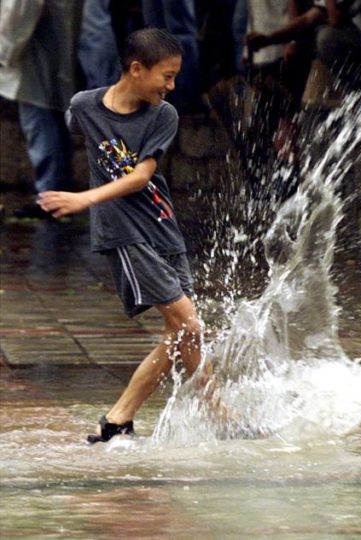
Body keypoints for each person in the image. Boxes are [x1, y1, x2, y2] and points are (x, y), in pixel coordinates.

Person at [37, 28, 203, 444]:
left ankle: (117, 419)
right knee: (190, 325)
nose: (172, 85)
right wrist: (89, 201)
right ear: (135, 69)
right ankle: (215, 408)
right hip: (124, 234)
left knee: (180, 331)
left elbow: (141, 176)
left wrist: (84, 197)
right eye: (166, 76)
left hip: (163, 228)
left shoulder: (163, 115)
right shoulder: (84, 107)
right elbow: (83, 132)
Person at [0, 0, 82, 219]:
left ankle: (51, 197)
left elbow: (20, 12)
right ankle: (57, 193)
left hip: (33, 50)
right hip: (52, 43)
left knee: (40, 121)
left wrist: (4, 52)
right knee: (51, 119)